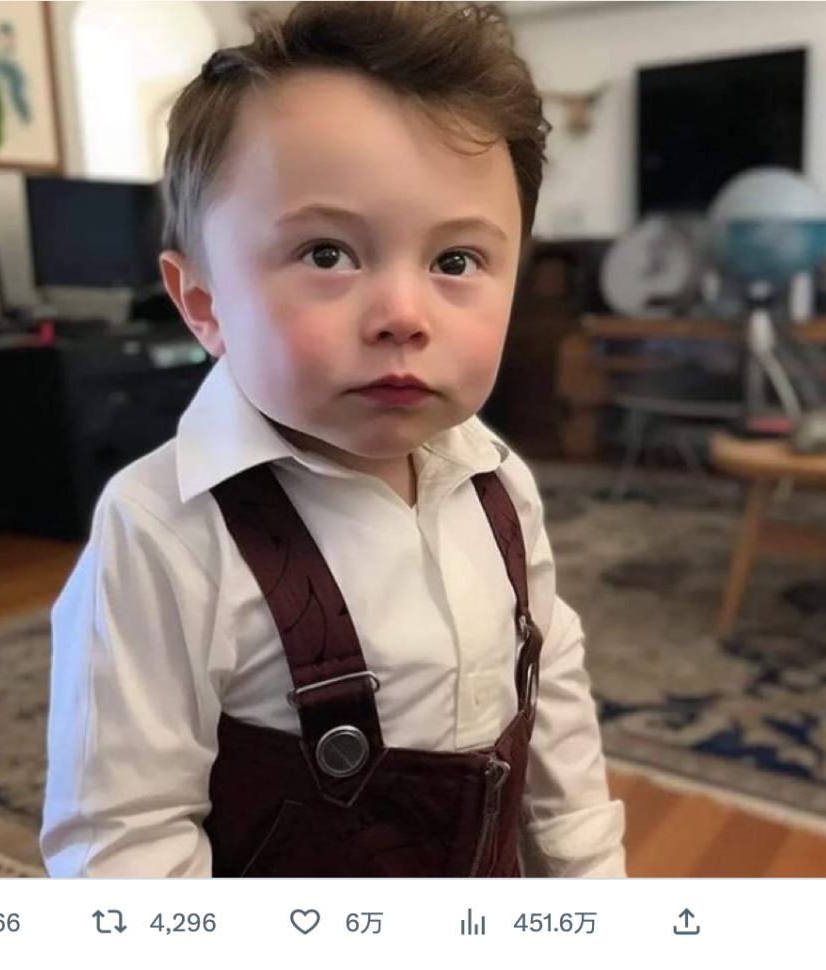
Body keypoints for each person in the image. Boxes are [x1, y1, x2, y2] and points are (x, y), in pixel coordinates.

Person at [41, 1, 626, 878]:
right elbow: (125, 842)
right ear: (203, 302)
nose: (402, 315)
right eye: (326, 253)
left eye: (456, 261)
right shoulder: (163, 531)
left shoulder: (500, 484)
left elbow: (554, 697)